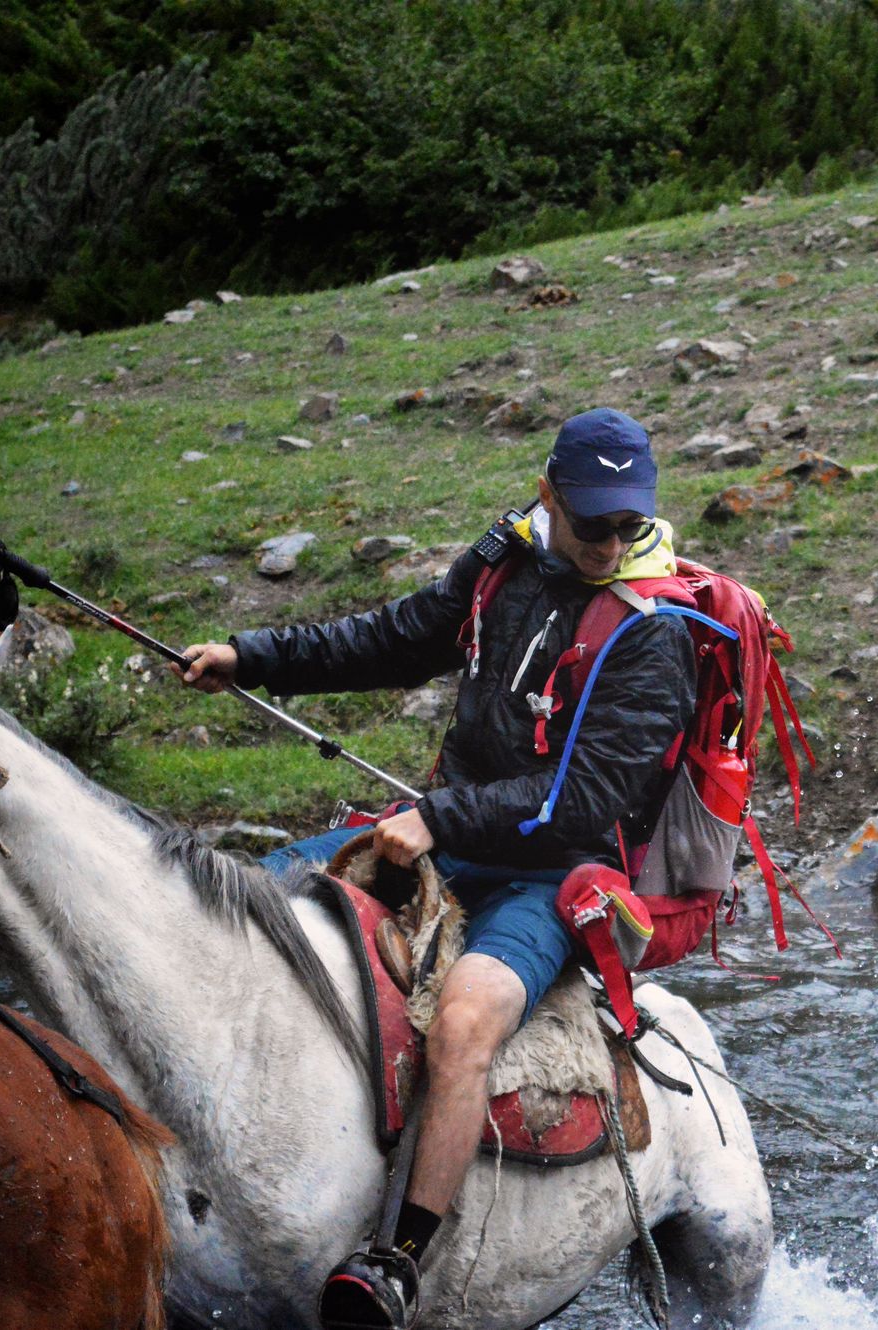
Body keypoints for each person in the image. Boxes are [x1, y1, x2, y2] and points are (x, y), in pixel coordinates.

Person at [178, 407, 696, 1330]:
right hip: (448, 830)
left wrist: (437, 815)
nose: (610, 544)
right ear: (548, 497)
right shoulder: (503, 560)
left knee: (463, 1025)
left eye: (628, 523)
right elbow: (398, 638)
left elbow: (586, 798)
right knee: (252, 894)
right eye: (592, 524)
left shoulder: (658, 634)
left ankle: (397, 1262)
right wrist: (250, 659)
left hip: (555, 875)